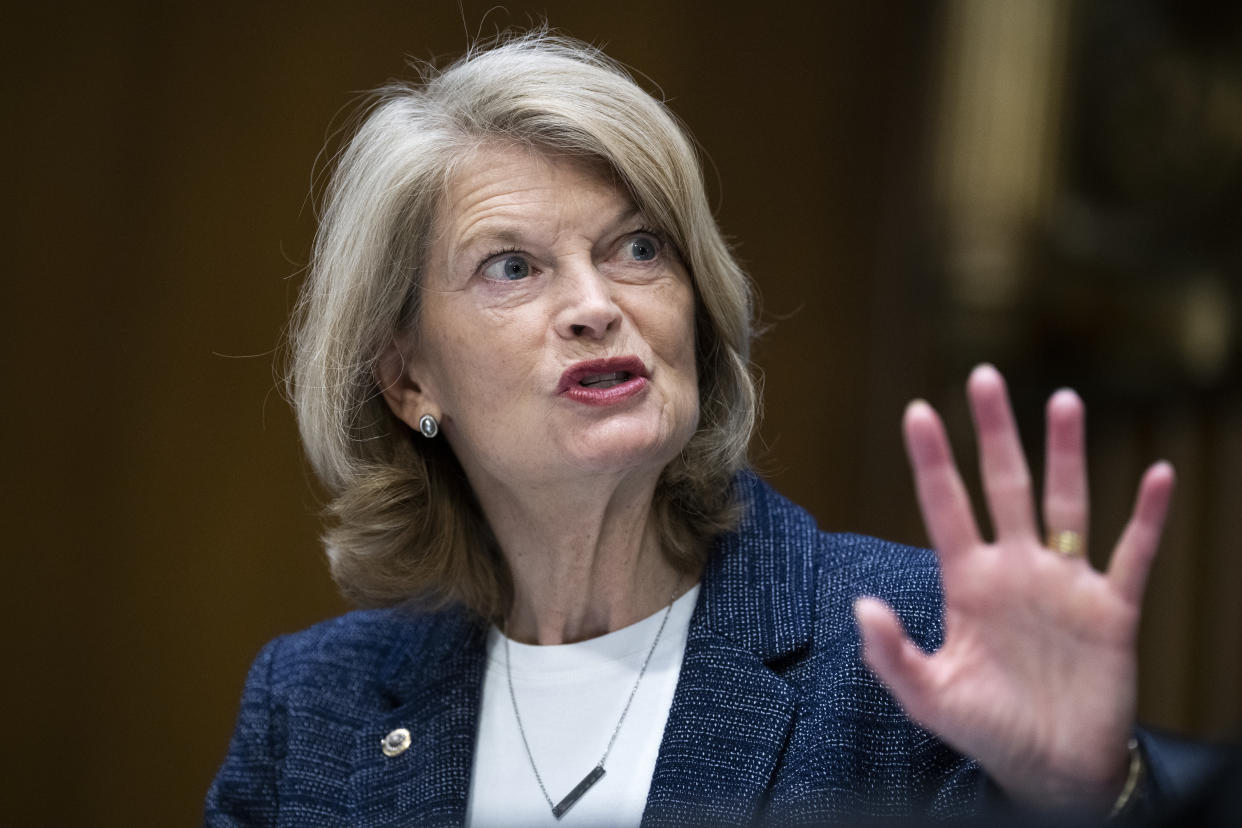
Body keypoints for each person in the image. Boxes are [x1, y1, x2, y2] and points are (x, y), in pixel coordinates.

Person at [206, 33, 1186, 825]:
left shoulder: (913, 648)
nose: (594, 305)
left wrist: (1088, 797)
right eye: (512, 267)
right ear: (408, 374)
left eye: (637, 248)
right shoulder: (312, 709)